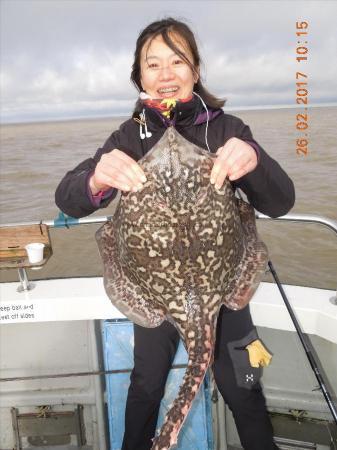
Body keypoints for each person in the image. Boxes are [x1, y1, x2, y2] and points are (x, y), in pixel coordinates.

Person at [55, 17, 295, 450]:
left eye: (177, 61)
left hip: (223, 292)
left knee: (244, 387)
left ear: (195, 70)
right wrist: (95, 178)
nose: (165, 74)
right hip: (155, 296)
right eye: (153, 64)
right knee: (145, 387)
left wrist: (252, 158)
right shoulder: (129, 137)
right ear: (140, 77)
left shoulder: (226, 130)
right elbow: (68, 198)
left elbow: (280, 202)